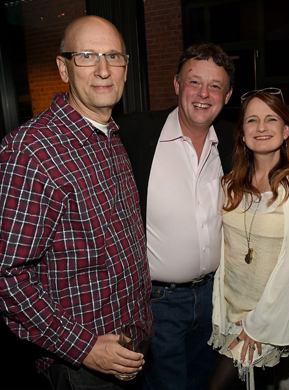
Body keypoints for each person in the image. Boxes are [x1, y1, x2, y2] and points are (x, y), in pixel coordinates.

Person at [0, 15, 152, 389]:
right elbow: (8, 276)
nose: (103, 70)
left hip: (132, 345)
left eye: (113, 56)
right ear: (63, 68)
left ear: (126, 67)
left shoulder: (112, 138)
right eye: (87, 56)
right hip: (81, 366)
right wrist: (84, 348)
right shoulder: (31, 151)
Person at [117, 43, 235, 390]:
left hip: (215, 298)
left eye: (215, 86)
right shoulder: (136, 134)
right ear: (176, 85)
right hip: (158, 304)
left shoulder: (232, 139)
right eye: (194, 82)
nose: (203, 94)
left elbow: (281, 145)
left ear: (226, 96)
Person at [208, 89, 289, 389]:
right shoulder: (229, 183)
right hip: (228, 311)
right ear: (242, 134)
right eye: (252, 120)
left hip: (266, 316)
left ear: (286, 131)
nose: (261, 127)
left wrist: (257, 325)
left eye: (271, 119)